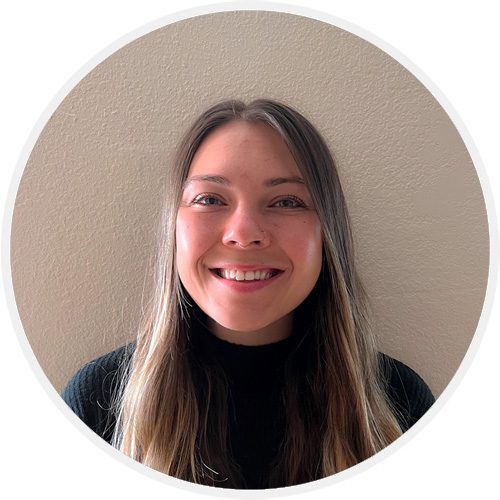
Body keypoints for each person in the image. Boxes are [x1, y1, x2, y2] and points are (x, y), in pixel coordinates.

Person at [62, 98, 435, 489]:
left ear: (328, 232)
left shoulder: (399, 405)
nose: (243, 232)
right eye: (210, 199)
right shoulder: (96, 404)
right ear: (174, 226)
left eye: (287, 201)